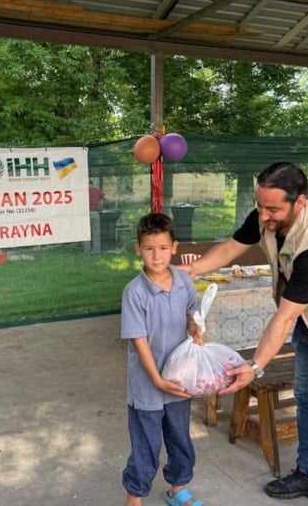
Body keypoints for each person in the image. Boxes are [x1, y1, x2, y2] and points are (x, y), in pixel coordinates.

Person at [178, 162, 308, 506]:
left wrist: (255, 366)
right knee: (307, 399)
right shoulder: (267, 214)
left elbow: (285, 317)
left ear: (299, 201)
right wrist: (192, 269)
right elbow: (232, 247)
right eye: (260, 206)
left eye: (273, 209)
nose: (264, 215)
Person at [120, 212, 206, 506]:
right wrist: (157, 380)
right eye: (149, 248)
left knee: (180, 437)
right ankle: (134, 498)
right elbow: (139, 340)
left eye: (163, 248)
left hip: (179, 378)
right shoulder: (134, 292)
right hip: (148, 385)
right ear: (138, 249)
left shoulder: (183, 281)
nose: (156, 256)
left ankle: (177, 489)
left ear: (174, 247)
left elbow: (192, 312)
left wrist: (194, 327)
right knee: (146, 444)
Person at [85, 180, 105, 253]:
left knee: (86, 232)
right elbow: (104, 197)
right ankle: (96, 250)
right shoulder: (96, 190)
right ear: (92, 184)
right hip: (95, 213)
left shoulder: (83, 191)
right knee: (96, 232)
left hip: (85, 214)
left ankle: (87, 250)